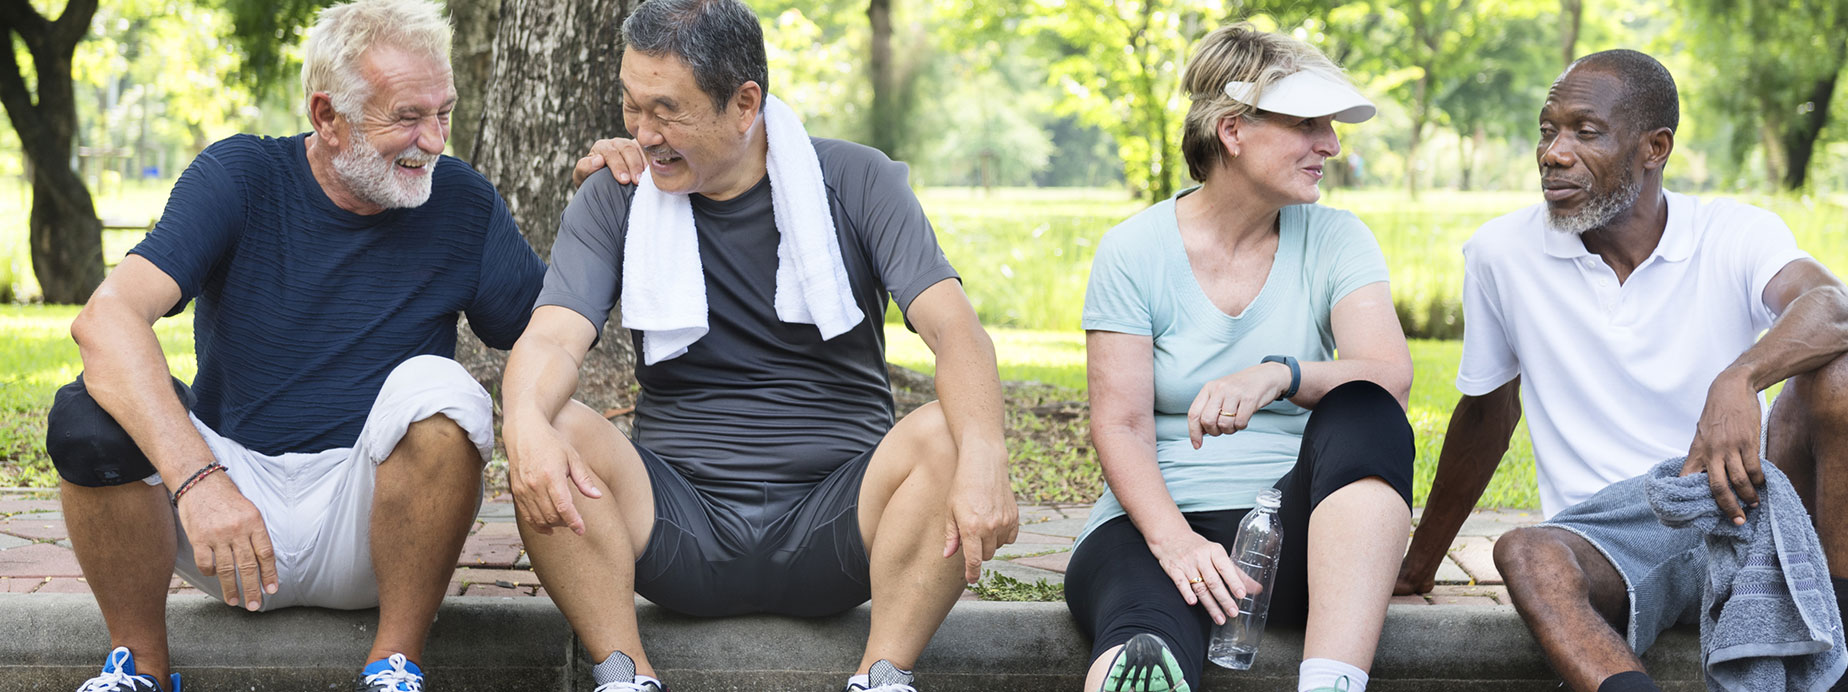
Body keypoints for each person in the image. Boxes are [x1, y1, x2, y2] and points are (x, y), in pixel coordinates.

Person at [500, 1, 1018, 690]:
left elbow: (956, 332)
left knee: (953, 434)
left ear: (745, 104)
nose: (644, 134)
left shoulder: (857, 182)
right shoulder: (617, 198)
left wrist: (986, 455)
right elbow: (553, 341)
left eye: (666, 110)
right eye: (631, 107)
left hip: (839, 528)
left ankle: (883, 674)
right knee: (550, 424)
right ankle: (624, 673)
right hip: (677, 526)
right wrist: (525, 427)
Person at [43, 1, 545, 690]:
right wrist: (199, 479)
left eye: (444, 112)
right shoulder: (242, 176)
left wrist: (617, 196)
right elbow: (106, 321)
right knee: (89, 413)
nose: (433, 140)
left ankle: (394, 665)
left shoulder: (460, 201)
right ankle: (139, 669)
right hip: (228, 517)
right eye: (407, 116)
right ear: (327, 117)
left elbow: (555, 328)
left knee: (445, 390)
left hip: (377, 522)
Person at [1395, 50, 1848, 692]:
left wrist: (1737, 379)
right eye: (1547, 130)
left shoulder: (1732, 232)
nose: (1554, 152)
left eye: (1585, 131)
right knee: (1525, 552)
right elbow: (1487, 415)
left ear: (1653, 147)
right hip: (1610, 540)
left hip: (1742, 508)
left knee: (1846, 378)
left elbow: (1833, 306)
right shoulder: (1501, 254)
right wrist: (1418, 564)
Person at [1065, 24, 1416, 692]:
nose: (1331, 146)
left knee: (1366, 408)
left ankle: (1332, 683)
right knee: (1144, 644)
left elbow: (1390, 378)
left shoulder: (1338, 239)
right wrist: (1179, 544)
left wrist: (1278, 374)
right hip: (1154, 530)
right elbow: (1121, 426)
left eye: (1332, 127)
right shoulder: (1134, 250)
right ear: (1233, 130)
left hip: (1305, 545)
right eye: (1309, 124)